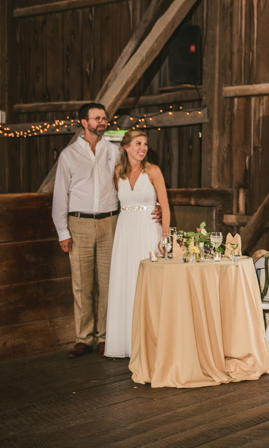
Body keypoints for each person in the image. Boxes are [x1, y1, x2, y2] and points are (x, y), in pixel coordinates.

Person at [52, 102, 159, 358]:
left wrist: (154, 206)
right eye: (97, 118)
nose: (102, 122)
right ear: (83, 122)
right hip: (79, 223)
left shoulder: (114, 152)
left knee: (108, 281)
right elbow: (59, 195)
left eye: (104, 118)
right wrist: (63, 232)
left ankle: (105, 337)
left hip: (112, 221)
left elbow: (135, 177)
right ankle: (83, 337)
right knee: (82, 283)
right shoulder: (68, 155)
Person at [104, 130, 169, 358]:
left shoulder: (153, 171)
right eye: (138, 143)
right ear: (126, 147)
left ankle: (150, 343)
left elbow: (165, 205)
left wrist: (164, 236)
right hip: (125, 230)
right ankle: (125, 342)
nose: (143, 148)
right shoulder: (118, 172)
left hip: (147, 228)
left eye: (145, 144)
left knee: (147, 281)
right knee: (125, 280)